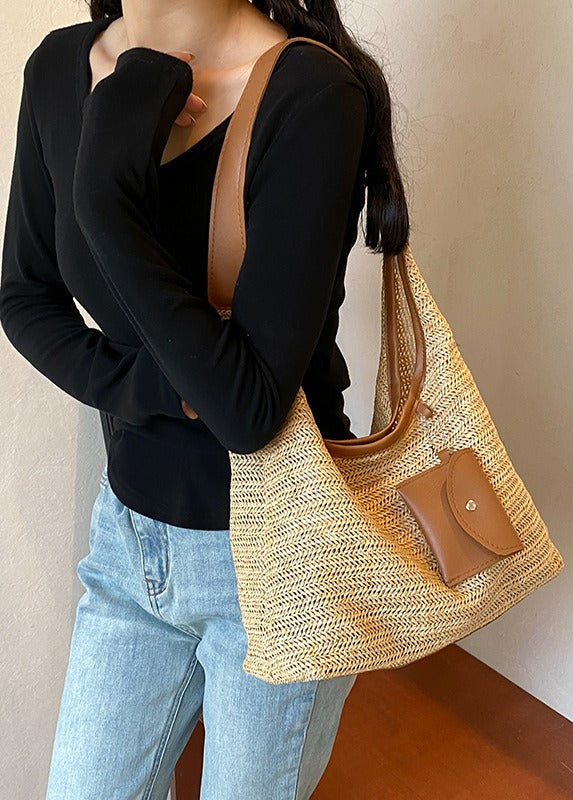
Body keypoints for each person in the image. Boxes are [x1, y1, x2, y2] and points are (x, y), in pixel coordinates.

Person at [0, 0, 409, 797]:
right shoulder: (59, 69)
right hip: (128, 544)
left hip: (278, 556)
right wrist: (145, 387)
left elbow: (247, 411)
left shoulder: (311, 92)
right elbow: (25, 296)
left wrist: (105, 200)